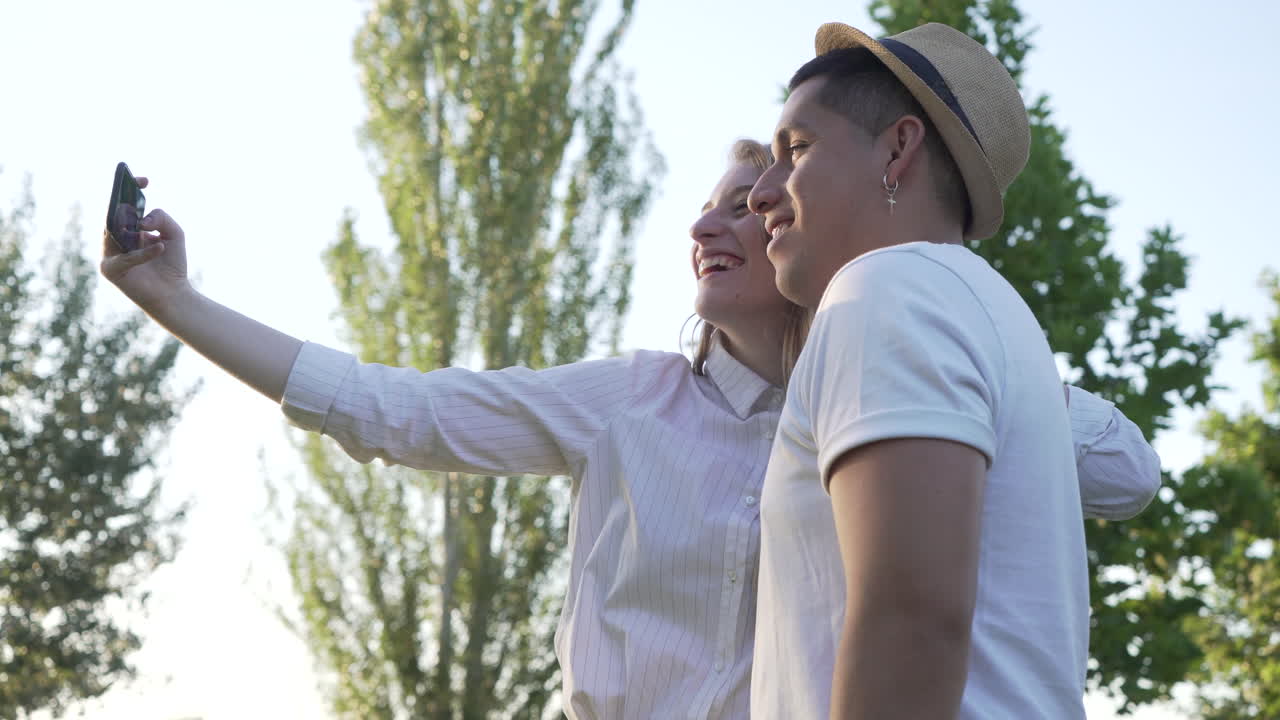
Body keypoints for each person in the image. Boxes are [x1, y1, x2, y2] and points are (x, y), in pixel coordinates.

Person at [102, 138, 1153, 719]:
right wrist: (172, 301)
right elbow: (397, 410)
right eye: (706, 207)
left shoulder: (893, 400)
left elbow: (1125, 474)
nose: (707, 225)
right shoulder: (623, 403)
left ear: (801, 226)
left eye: (749, 204)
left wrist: (956, 330)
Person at [747, 21, 1097, 719]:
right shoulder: (990, 311)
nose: (762, 190)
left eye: (799, 149)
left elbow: (911, 619)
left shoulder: (886, 289)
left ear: (899, 147)